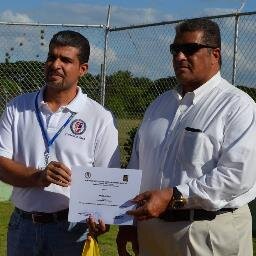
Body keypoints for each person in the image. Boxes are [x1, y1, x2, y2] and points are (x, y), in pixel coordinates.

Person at [116, 18, 256, 256]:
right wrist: (129, 222)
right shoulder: (159, 105)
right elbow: (137, 167)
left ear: (215, 54)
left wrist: (175, 195)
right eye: (175, 49)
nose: (180, 56)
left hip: (207, 230)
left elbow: (236, 175)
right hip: (152, 230)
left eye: (190, 49)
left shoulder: (237, 106)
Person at [0, 30, 119, 256]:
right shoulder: (17, 107)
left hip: (71, 230)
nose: (55, 64)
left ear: (82, 69)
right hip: (22, 226)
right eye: (51, 57)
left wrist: (102, 216)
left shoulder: (99, 117)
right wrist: (39, 177)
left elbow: (108, 179)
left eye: (65, 60)